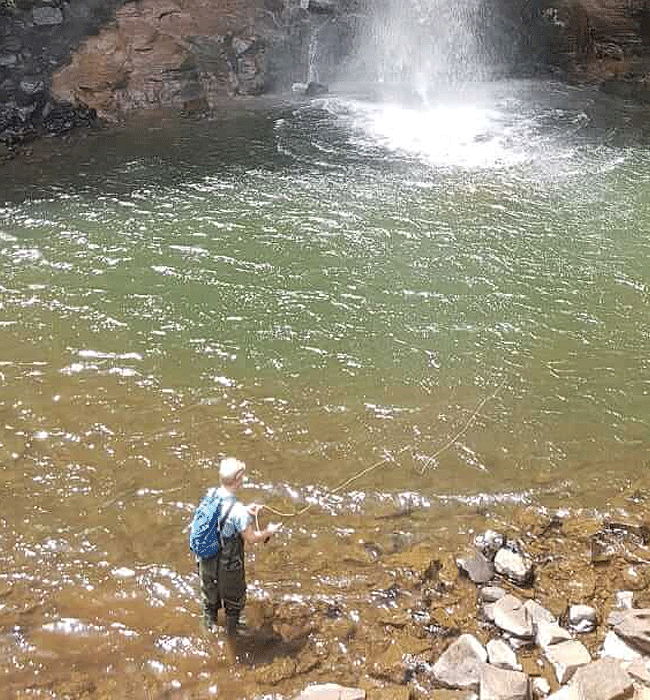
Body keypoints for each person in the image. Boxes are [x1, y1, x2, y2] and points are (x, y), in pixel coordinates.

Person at [195, 456, 281, 641]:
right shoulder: (238, 511)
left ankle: (207, 633)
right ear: (238, 479)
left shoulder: (210, 496)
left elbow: (223, 519)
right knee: (233, 605)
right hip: (229, 566)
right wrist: (269, 531)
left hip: (207, 560)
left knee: (209, 602)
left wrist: (245, 511)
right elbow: (251, 539)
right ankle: (232, 640)